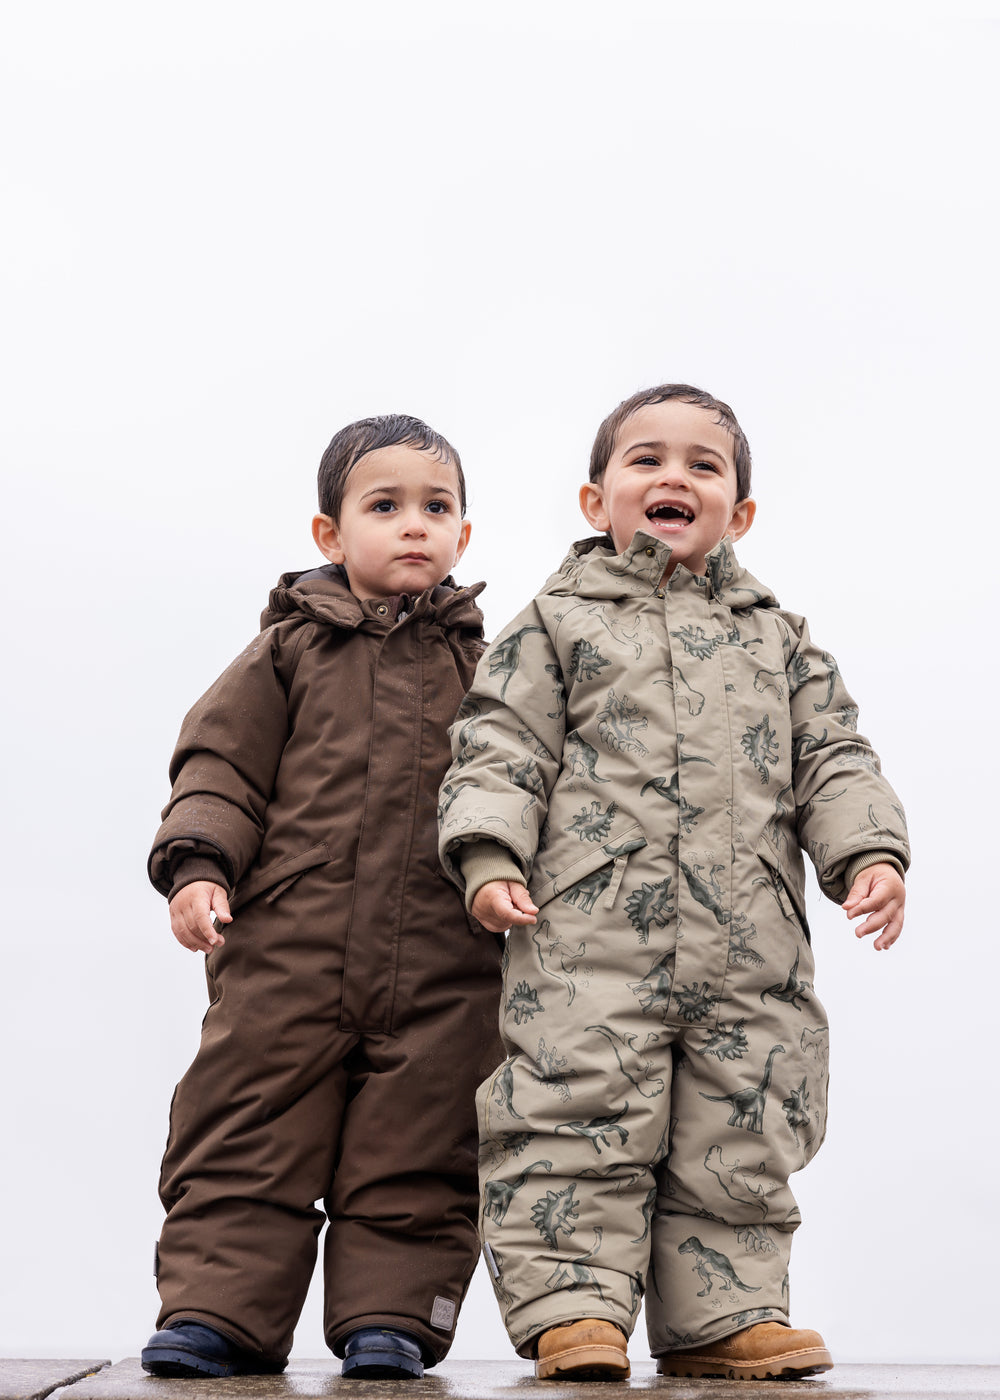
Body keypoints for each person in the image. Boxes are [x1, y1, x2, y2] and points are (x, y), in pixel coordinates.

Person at [438, 385, 908, 1382]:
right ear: (594, 499)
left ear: (740, 511)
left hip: (750, 949)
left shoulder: (779, 640)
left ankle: (722, 1313)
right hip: (589, 939)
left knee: (744, 1118)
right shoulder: (556, 623)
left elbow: (833, 755)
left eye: (704, 464)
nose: (674, 477)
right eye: (646, 459)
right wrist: (488, 853)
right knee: (574, 1109)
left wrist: (869, 852)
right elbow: (501, 743)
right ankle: (575, 1307)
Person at [141, 414, 503, 1381]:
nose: (414, 524)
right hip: (286, 954)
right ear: (330, 535)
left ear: (464, 534)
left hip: (444, 963)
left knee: (422, 1140)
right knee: (246, 1123)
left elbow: (526, 788)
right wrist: (200, 865)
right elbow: (220, 768)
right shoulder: (286, 653)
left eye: (436, 507)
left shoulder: (493, 674)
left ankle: (391, 1318)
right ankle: (217, 1312)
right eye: (384, 505)